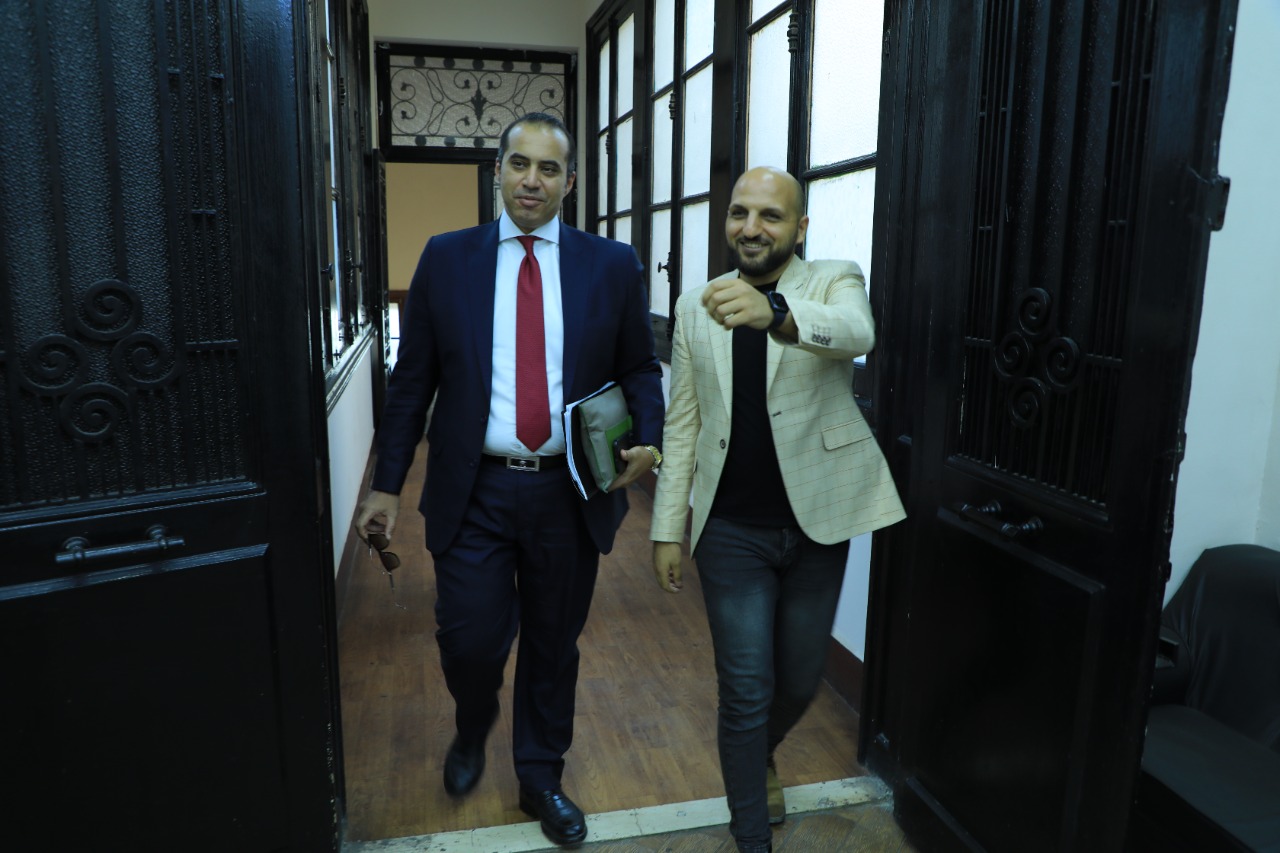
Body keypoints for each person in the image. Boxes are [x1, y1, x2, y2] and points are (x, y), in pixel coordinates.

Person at [356, 112, 664, 848]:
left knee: (554, 644)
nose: (532, 180)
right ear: (497, 171)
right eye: (519, 164)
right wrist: (388, 483)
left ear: (570, 181)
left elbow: (639, 368)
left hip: (569, 490)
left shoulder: (610, 264)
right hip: (476, 489)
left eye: (549, 168)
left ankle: (540, 777)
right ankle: (473, 722)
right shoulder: (447, 258)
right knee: (469, 640)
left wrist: (648, 440)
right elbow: (413, 381)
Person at [649, 166, 906, 853]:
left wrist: (780, 314)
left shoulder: (833, 279)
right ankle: (752, 837)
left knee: (798, 678)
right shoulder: (697, 305)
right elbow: (683, 423)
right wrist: (667, 528)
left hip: (818, 521)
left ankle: (756, 754)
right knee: (744, 688)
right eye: (740, 212)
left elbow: (857, 332)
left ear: (799, 227)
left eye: (770, 215)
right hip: (730, 530)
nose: (752, 227)